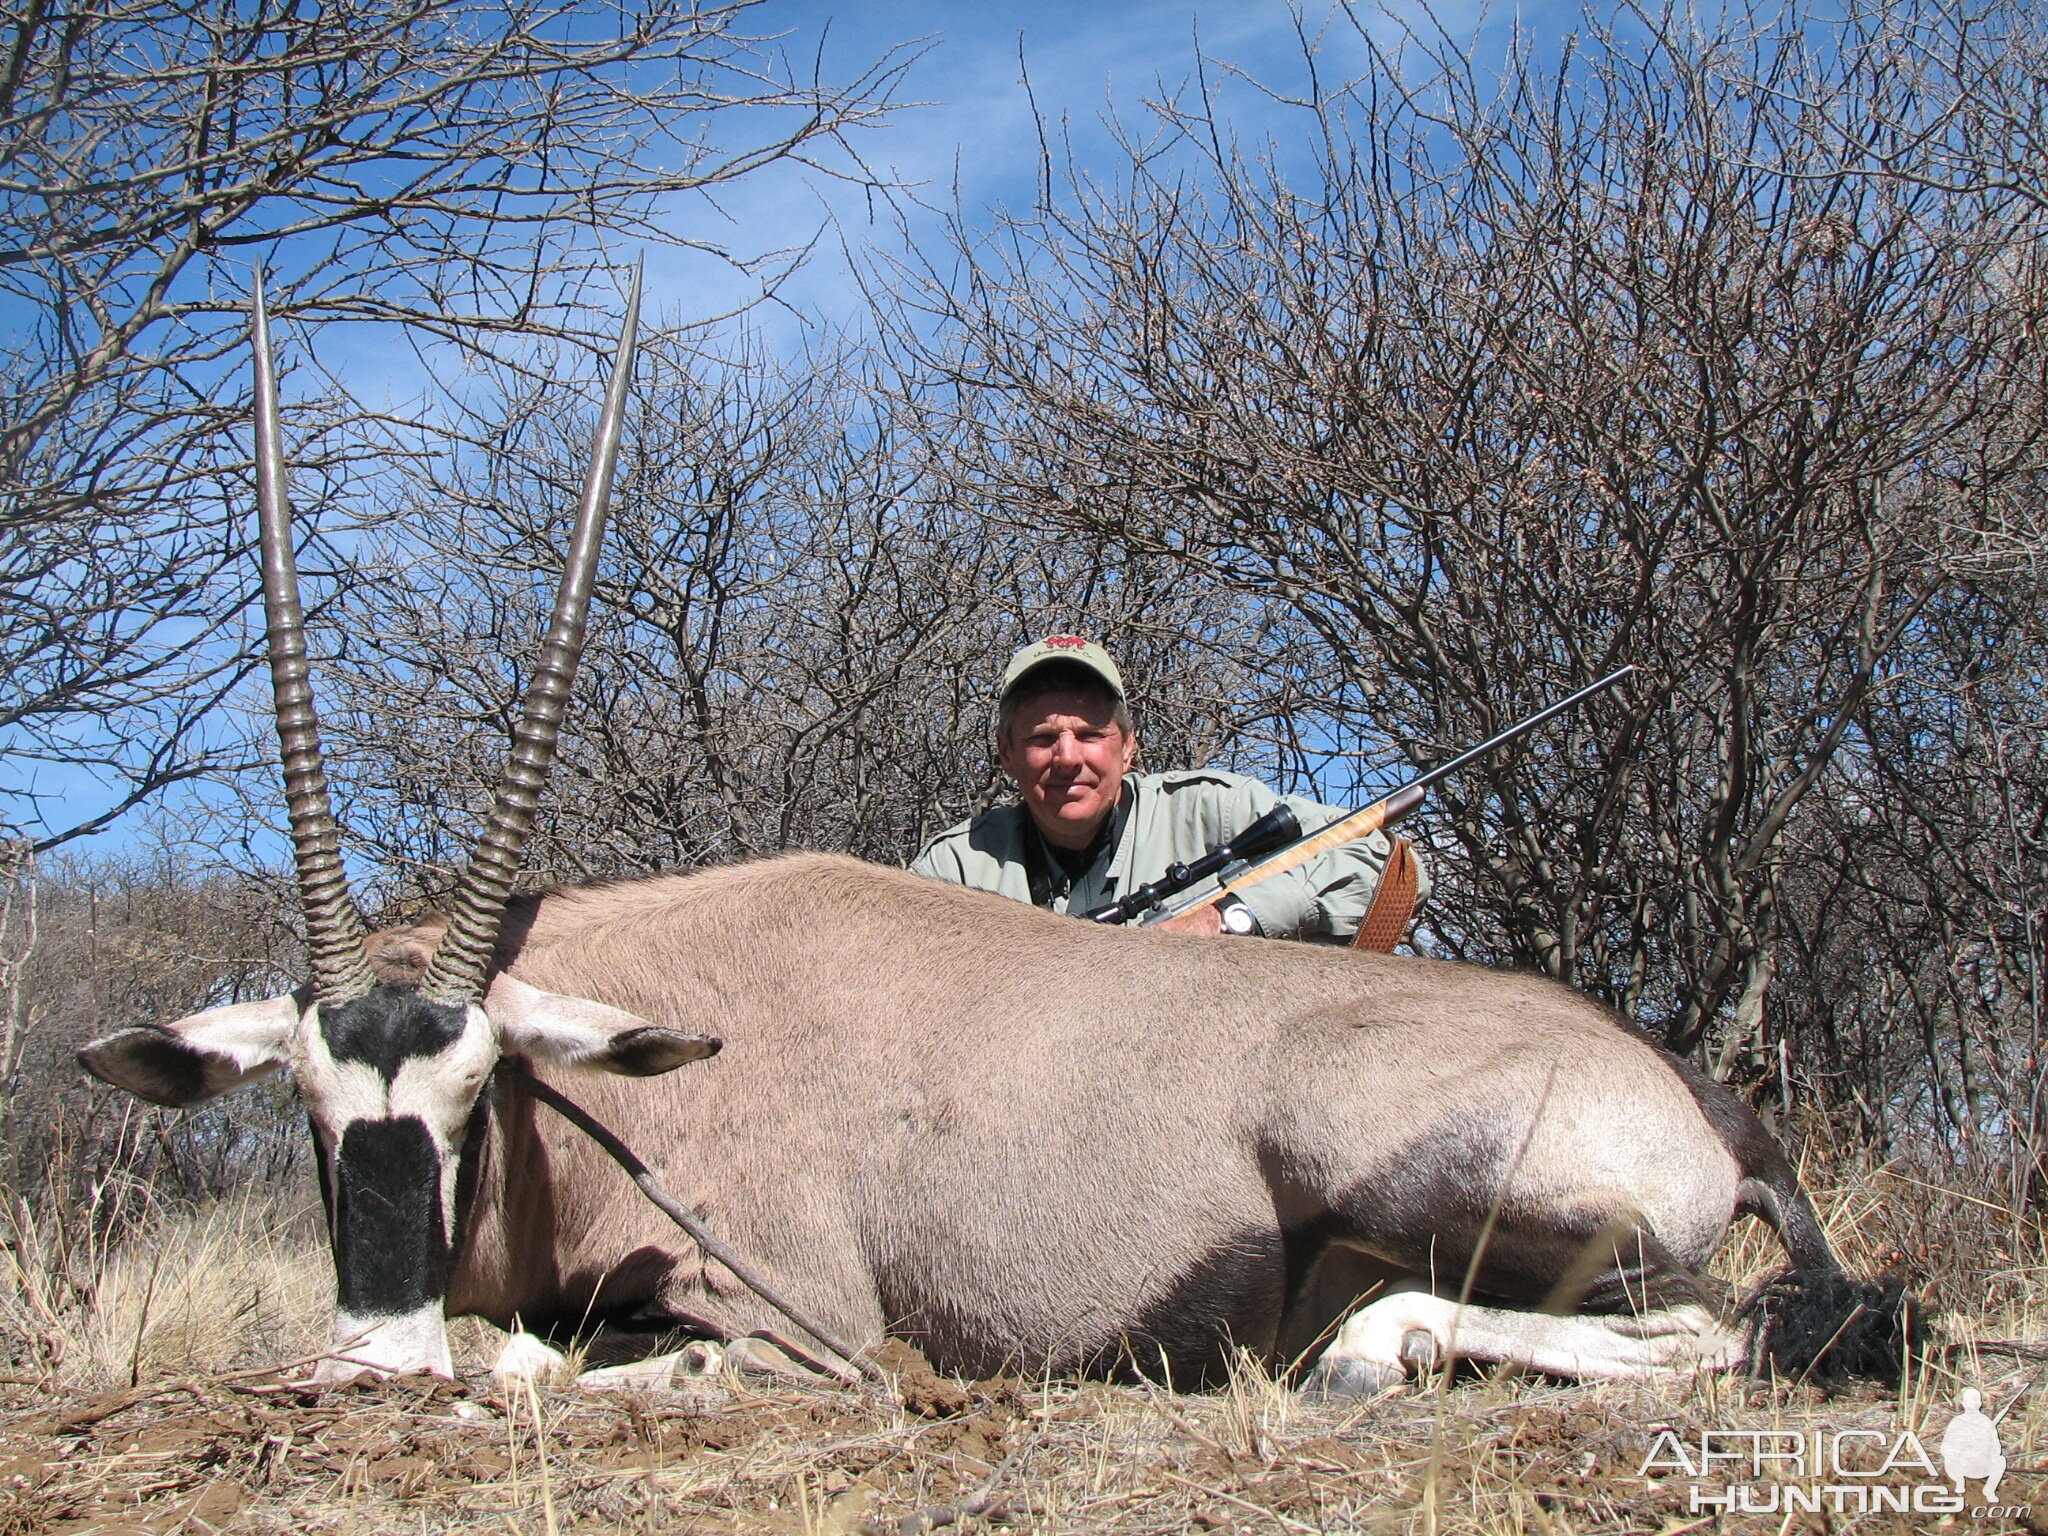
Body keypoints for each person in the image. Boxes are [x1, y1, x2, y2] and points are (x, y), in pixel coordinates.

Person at [909, 636, 1426, 942]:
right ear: (1007, 754)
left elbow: (1389, 865)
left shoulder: (1217, 809)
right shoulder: (951, 869)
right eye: (1043, 739)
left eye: (1091, 735)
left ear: (1128, 747)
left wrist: (1229, 920)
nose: (1068, 758)